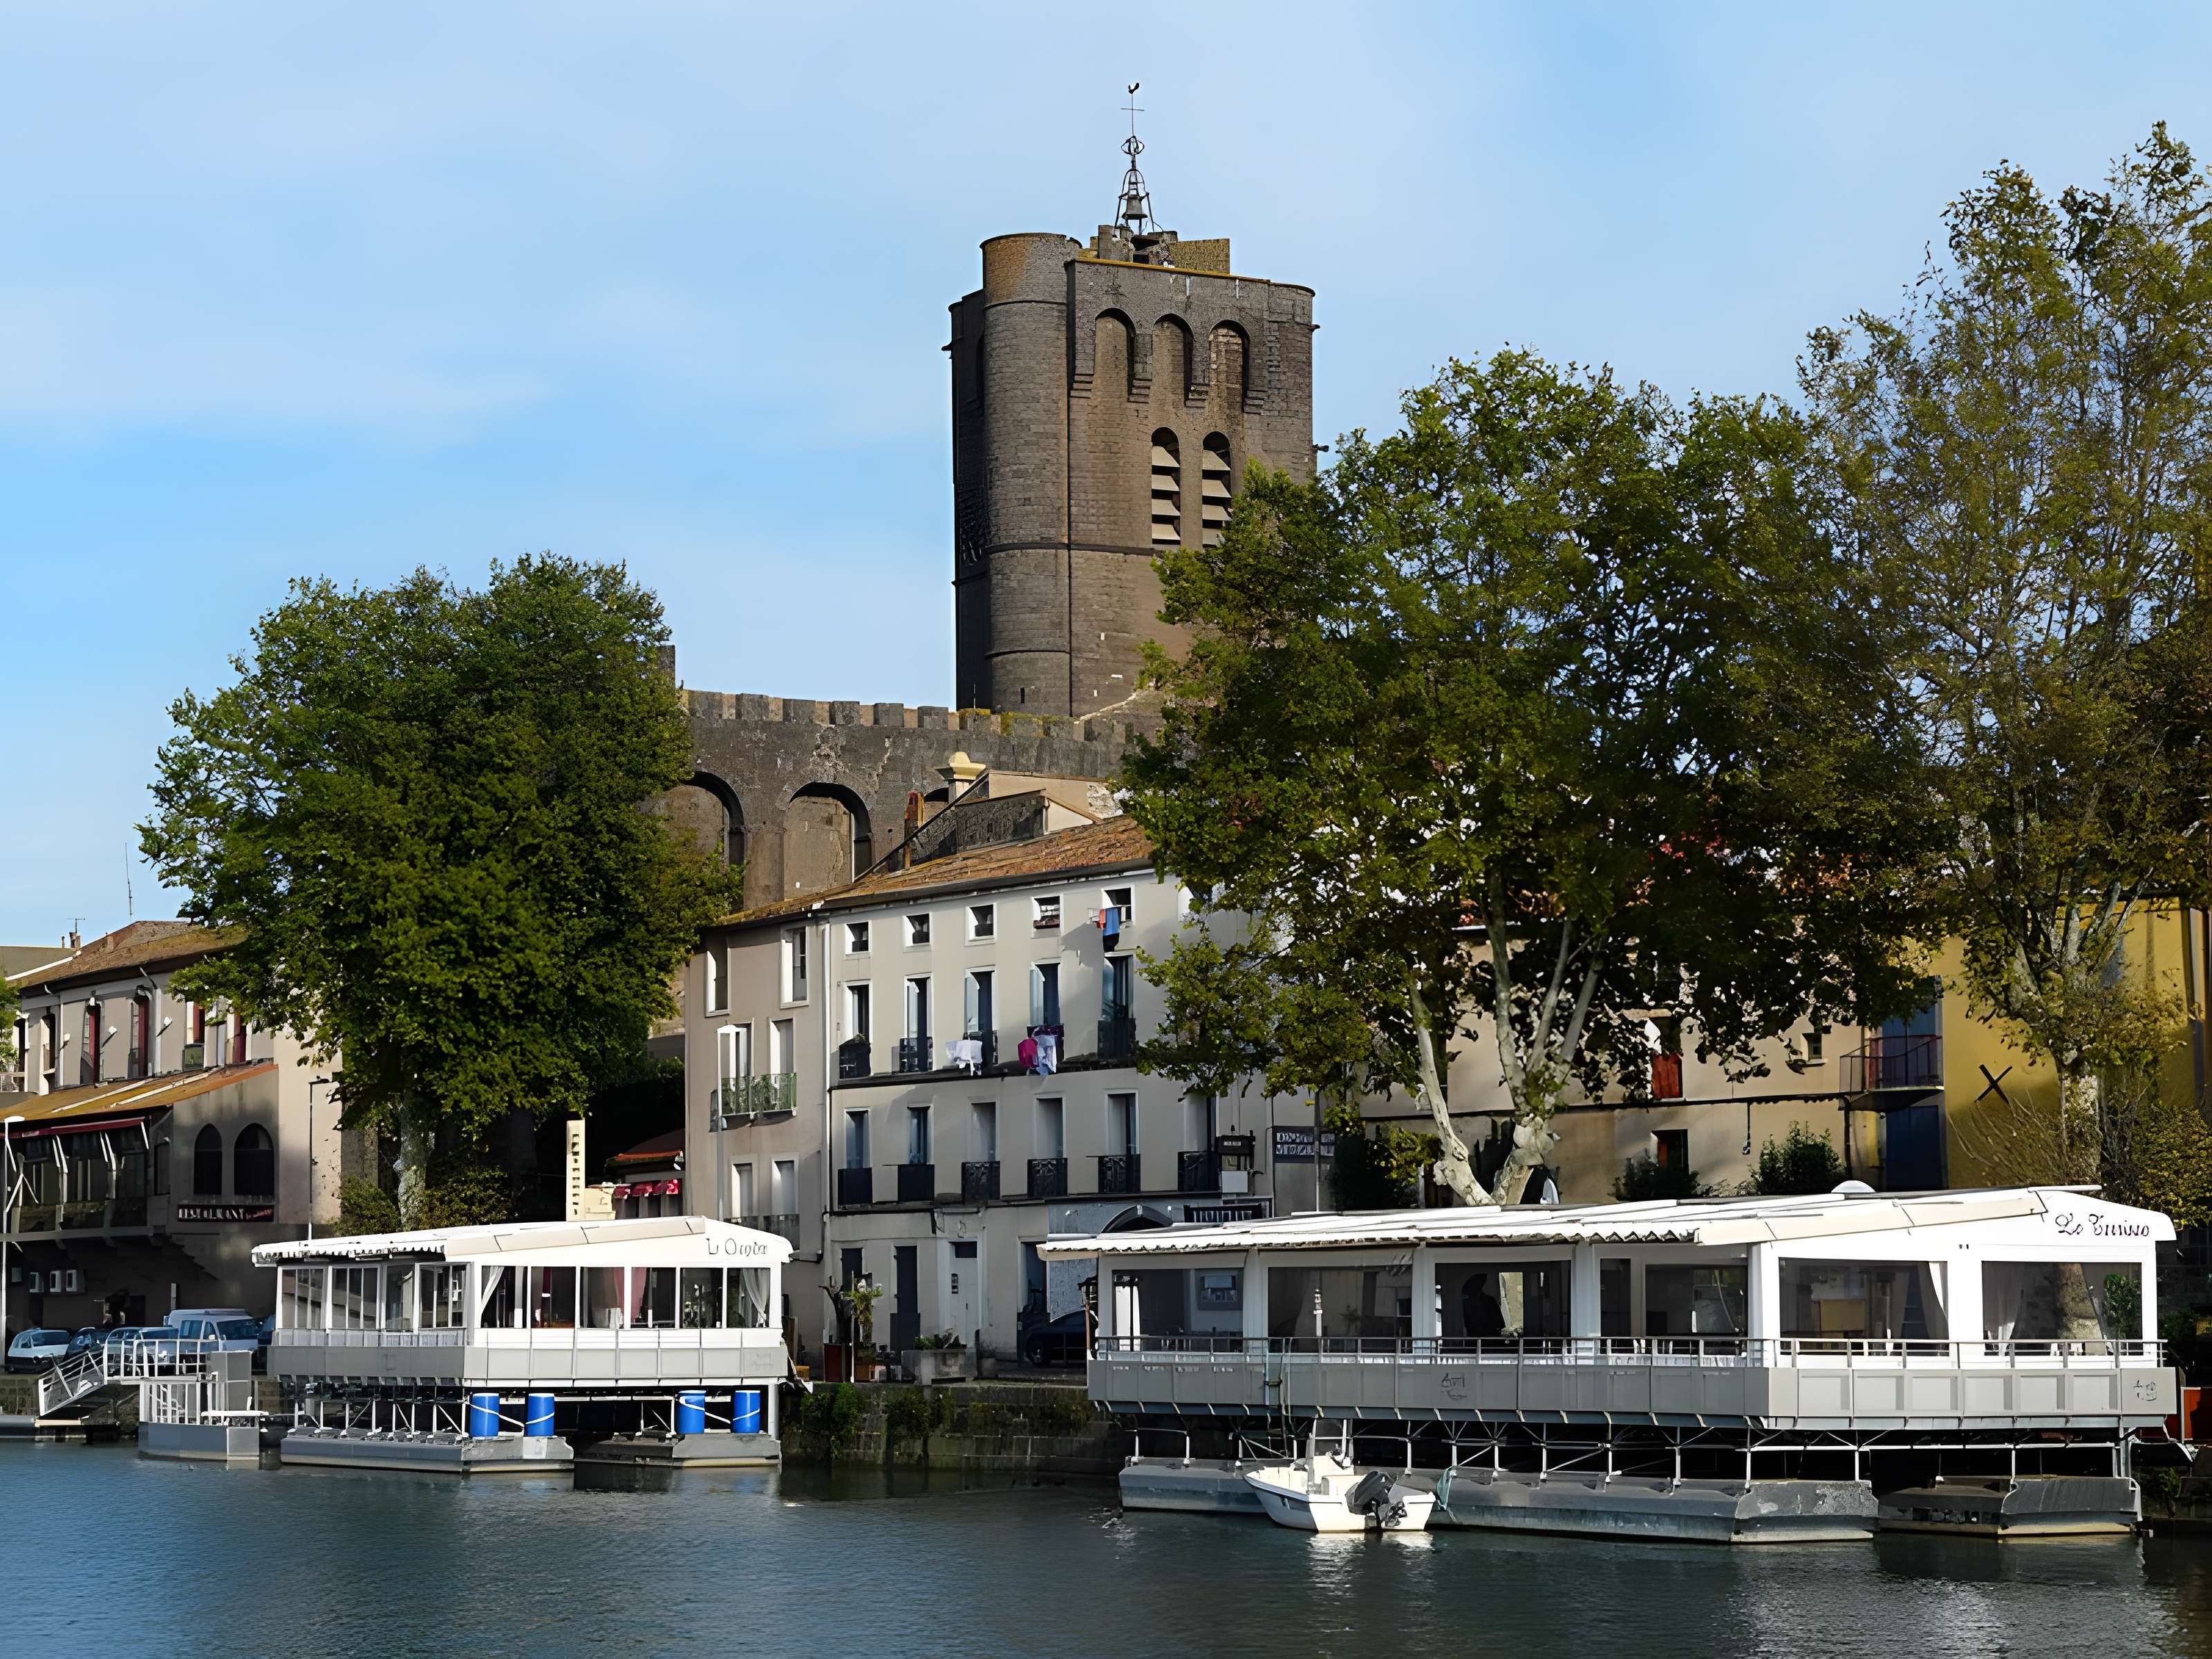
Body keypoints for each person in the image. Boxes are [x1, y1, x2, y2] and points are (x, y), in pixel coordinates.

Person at [1462, 1272, 1506, 1340]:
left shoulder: (1465, 1303)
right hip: (1490, 1338)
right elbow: (1500, 1324)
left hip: (1475, 1338)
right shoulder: (1490, 1300)